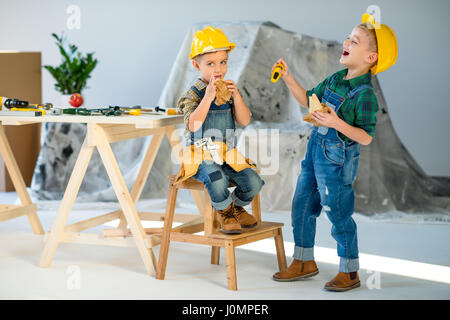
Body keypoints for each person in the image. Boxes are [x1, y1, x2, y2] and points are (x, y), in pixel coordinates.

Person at [272, 13, 398, 291]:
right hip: (314, 155)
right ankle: (304, 260)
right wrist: (288, 77)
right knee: (302, 206)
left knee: (338, 213)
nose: (347, 41)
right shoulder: (336, 79)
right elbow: (308, 100)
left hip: (337, 163)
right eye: (348, 37)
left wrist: (336, 122)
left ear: (371, 58)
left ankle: (349, 271)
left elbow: (366, 137)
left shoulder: (364, 94)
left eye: (355, 41)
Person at [175, 26, 264, 235]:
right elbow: (193, 125)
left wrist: (237, 97)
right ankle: (225, 213)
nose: (218, 70)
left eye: (223, 62)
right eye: (210, 64)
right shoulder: (193, 94)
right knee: (217, 179)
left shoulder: (228, 90)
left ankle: (233, 208)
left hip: (226, 154)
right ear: (196, 65)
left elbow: (244, 120)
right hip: (200, 156)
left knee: (253, 180)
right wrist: (207, 97)